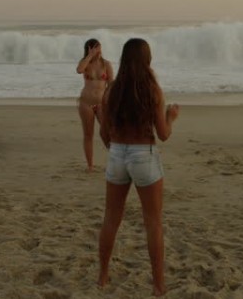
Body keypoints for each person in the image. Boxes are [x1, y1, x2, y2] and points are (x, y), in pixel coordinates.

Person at [97, 38, 179, 297]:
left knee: (111, 218)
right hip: (144, 153)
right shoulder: (152, 89)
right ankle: (158, 285)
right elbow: (164, 134)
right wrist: (171, 116)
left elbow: (104, 133)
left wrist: (116, 149)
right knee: (153, 222)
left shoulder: (112, 89)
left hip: (118, 153)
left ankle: (102, 276)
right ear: (147, 59)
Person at [76, 39, 114, 172]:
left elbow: (111, 84)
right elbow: (79, 70)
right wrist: (90, 56)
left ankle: (115, 159)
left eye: (100, 48)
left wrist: (110, 102)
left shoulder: (106, 64)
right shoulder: (85, 63)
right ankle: (90, 165)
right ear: (89, 49)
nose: (99, 51)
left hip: (101, 103)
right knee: (88, 134)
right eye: (95, 48)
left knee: (108, 132)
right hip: (86, 103)